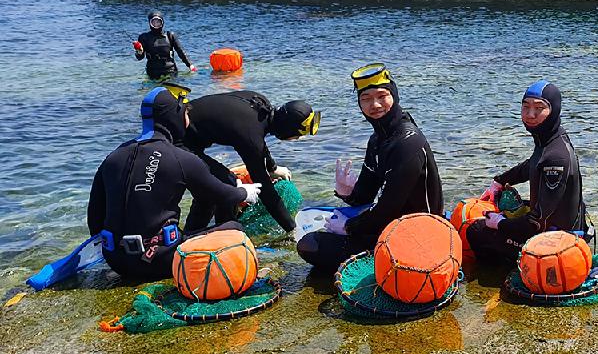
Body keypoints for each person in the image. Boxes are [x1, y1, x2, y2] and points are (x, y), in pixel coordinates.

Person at [87, 84, 262, 282]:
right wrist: (245, 193)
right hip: (160, 261)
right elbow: (221, 195)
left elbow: (94, 217)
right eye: (185, 114)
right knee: (234, 227)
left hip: (115, 260)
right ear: (175, 116)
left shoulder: (113, 157)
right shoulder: (180, 158)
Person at [296, 63, 443, 273]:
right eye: (365, 99)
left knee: (310, 245)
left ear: (394, 95)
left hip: (418, 236)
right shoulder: (377, 140)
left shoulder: (407, 142)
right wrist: (346, 193)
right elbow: (364, 197)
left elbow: (388, 207)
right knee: (331, 226)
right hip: (393, 225)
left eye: (382, 96)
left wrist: (349, 228)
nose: (374, 104)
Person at [467, 80, 589, 264]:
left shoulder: (556, 157)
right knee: (508, 209)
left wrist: (500, 223)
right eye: (526, 107)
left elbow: (536, 222)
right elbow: (532, 165)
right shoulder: (552, 139)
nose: (530, 115)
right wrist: (499, 181)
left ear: (554, 110)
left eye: (539, 108)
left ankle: (505, 277)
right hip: (557, 231)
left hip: (558, 248)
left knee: (476, 230)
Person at [182, 91, 319, 233]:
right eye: (298, 135)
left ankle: (198, 233)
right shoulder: (251, 135)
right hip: (176, 142)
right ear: (287, 129)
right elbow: (266, 190)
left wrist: (272, 167)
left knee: (212, 188)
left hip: (181, 129)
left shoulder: (261, 104)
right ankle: (223, 233)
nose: (296, 139)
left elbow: (260, 144)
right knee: (227, 184)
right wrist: (292, 229)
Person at [133, 10, 197, 78]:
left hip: (171, 70)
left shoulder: (170, 36)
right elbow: (139, 58)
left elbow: (180, 51)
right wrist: (139, 51)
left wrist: (190, 65)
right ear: (150, 23)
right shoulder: (144, 37)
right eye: (153, 22)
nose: (156, 25)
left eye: (158, 22)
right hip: (153, 72)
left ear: (162, 22)